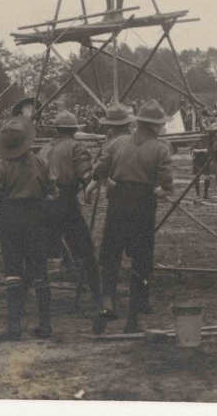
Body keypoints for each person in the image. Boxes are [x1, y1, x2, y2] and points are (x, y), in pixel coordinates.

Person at [91, 99, 174, 334]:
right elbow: (166, 182)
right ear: (156, 125)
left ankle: (107, 302)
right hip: (143, 202)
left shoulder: (117, 143)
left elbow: (99, 172)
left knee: (111, 255)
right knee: (141, 258)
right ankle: (133, 315)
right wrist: (163, 192)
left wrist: (111, 184)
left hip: (117, 200)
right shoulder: (160, 147)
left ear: (138, 122)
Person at [0, 117, 55, 340]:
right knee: (39, 270)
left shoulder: (3, 166)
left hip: (11, 218)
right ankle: (45, 324)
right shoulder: (41, 163)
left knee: (13, 271)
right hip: (37, 217)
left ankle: (14, 325)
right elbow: (51, 190)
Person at [39, 111, 103, 314]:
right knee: (84, 250)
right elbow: (85, 174)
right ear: (74, 130)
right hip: (65, 201)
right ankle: (98, 298)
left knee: (38, 252)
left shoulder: (43, 149)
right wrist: (95, 176)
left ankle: (25, 300)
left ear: (56, 129)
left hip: (42, 204)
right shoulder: (76, 147)